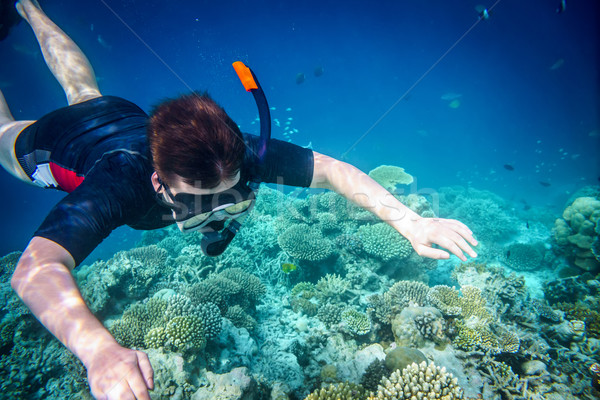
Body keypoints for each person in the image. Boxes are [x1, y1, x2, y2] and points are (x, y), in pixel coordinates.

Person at [0, 1, 478, 399]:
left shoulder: (241, 152)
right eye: (196, 203)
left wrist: (412, 223)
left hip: (118, 114)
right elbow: (35, 269)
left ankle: (30, 7)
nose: (217, 210)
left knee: (86, 90)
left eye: (232, 194)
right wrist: (99, 351)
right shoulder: (119, 182)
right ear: (158, 185)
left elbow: (335, 171)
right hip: (57, 145)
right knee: (6, 133)